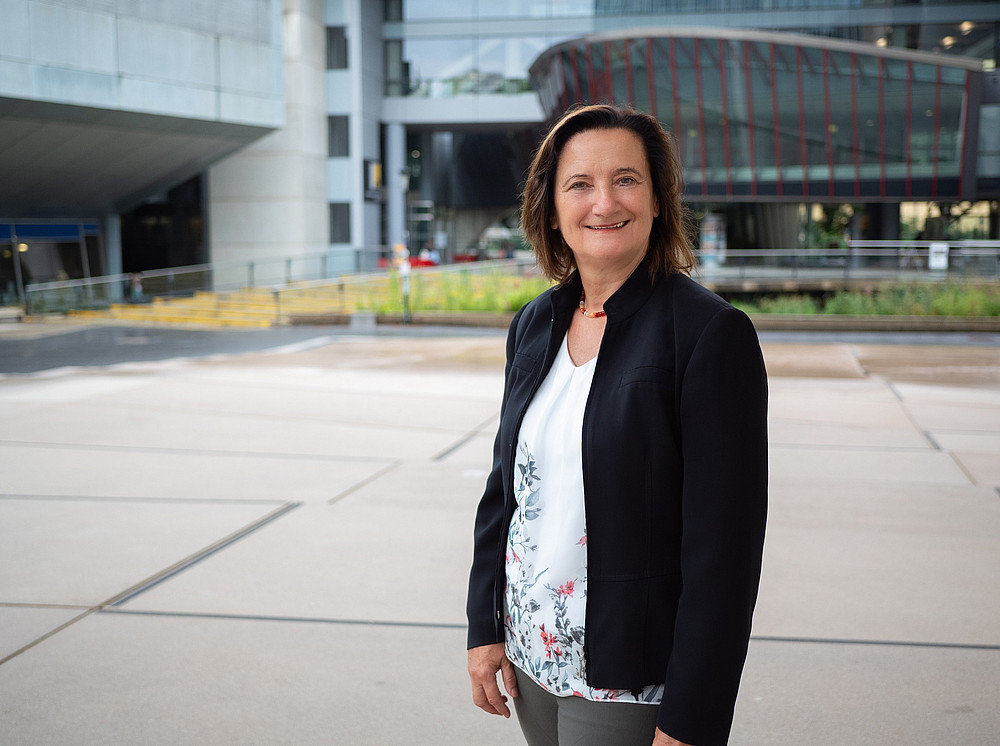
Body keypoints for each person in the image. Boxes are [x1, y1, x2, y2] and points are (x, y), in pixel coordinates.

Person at [466, 104, 768, 746]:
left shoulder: (709, 334)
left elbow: (726, 553)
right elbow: (505, 493)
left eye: (626, 179)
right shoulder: (534, 323)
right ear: (550, 208)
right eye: (579, 184)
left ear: (658, 199)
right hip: (531, 655)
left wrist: (692, 717)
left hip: (629, 675)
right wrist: (484, 626)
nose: (604, 201)